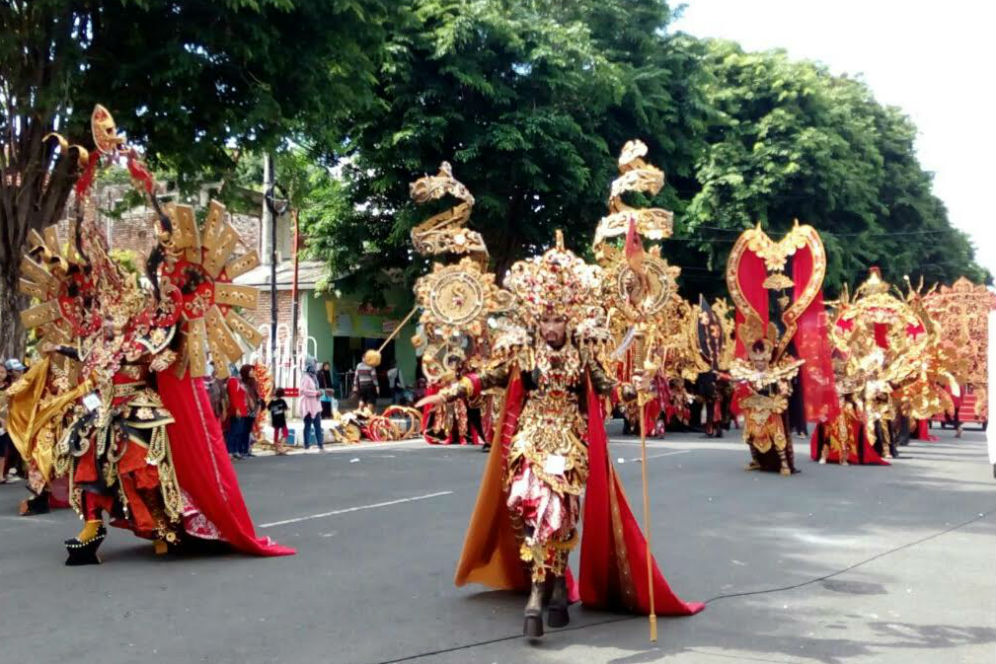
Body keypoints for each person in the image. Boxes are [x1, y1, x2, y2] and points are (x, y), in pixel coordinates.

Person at [416, 236, 702, 637]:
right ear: (537, 319)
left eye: (557, 320)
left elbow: (606, 388)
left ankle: (542, 594)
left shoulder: (583, 355)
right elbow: (491, 377)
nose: (551, 328)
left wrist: (636, 388)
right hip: (530, 440)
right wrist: (451, 391)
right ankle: (548, 587)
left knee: (558, 518)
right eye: (545, 320)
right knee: (535, 515)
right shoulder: (524, 352)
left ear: (569, 319)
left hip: (569, 444)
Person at [300, 358, 324, 451]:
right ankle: (306, 445)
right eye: (314, 364)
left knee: (318, 426)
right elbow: (304, 391)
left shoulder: (314, 377)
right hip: (308, 406)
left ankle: (320, 445)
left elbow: (316, 389)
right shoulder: (305, 377)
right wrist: (316, 393)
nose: (315, 366)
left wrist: (319, 392)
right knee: (308, 426)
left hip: (316, 406)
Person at [267, 388, 290, 455]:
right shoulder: (282, 401)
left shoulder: (271, 402)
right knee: (285, 433)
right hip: (282, 420)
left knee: (276, 433)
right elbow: (286, 408)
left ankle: (277, 449)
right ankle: (281, 447)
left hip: (275, 420)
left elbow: (268, 408)